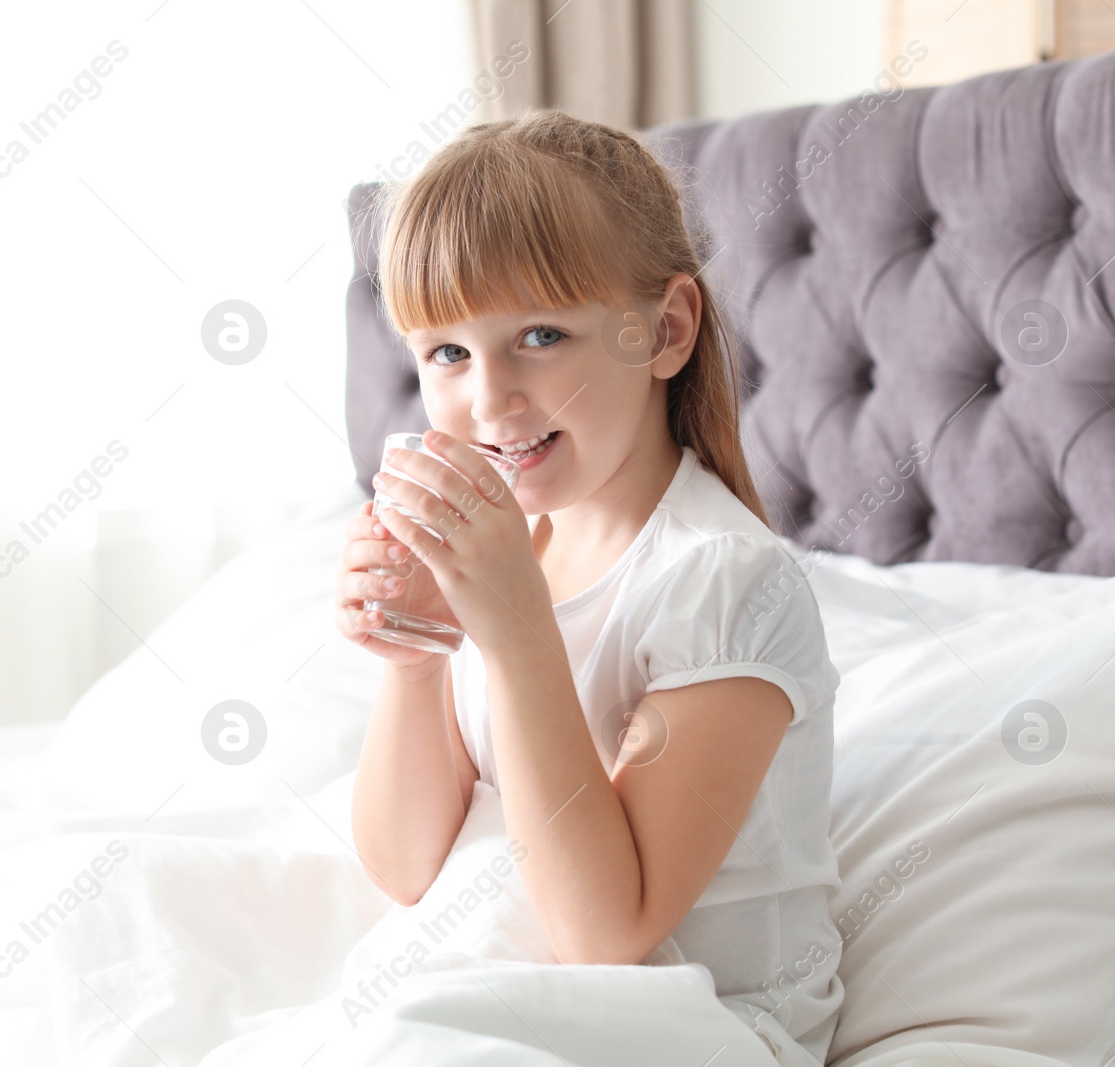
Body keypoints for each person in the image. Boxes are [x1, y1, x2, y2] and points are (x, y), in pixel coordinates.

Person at [335, 107, 843, 1067]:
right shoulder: (507, 544)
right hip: (516, 982)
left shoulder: (725, 579)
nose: (490, 400)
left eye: (539, 334)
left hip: (702, 1024)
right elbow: (404, 868)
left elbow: (608, 936)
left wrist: (517, 631)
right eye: (447, 352)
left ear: (666, 329)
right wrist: (416, 657)